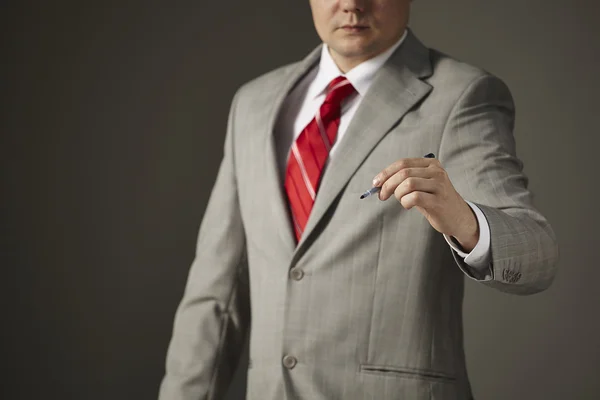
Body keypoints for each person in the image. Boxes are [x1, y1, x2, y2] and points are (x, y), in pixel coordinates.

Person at [158, 0, 559, 399]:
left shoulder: (461, 95)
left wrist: (464, 221)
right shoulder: (253, 104)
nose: (351, 4)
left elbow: (537, 256)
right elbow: (216, 293)